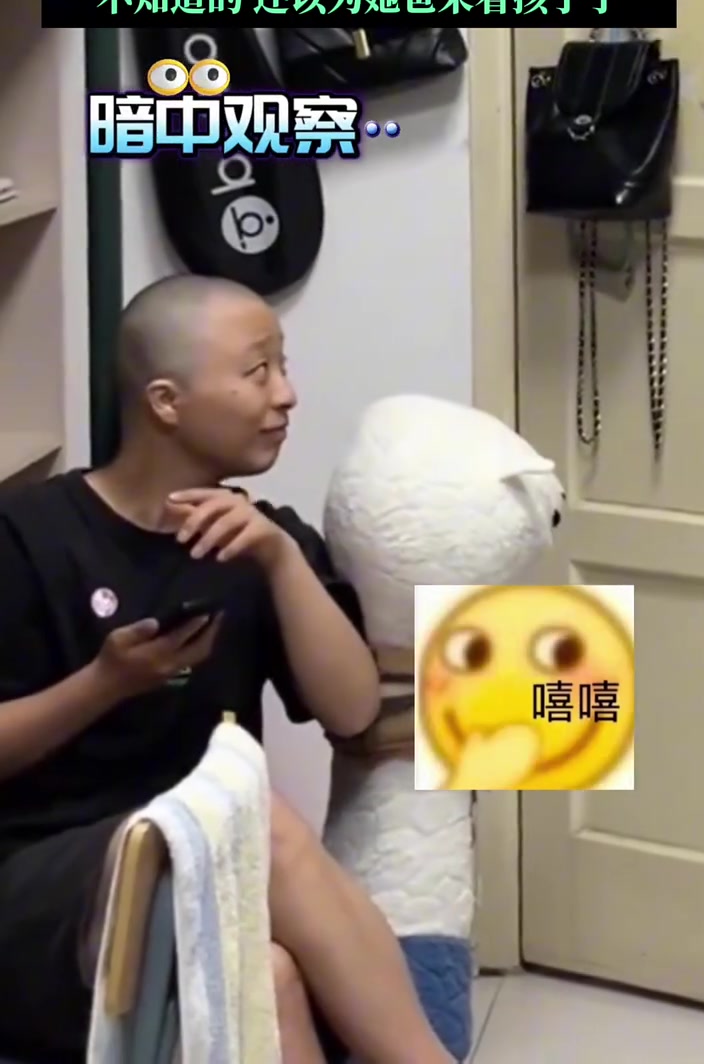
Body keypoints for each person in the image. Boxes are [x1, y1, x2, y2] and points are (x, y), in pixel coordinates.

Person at [0, 275, 455, 1064]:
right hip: (43, 896)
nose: (286, 395)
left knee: (270, 977)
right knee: (252, 823)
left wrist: (280, 561)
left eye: (284, 366)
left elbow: (352, 712)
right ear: (166, 402)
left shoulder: (264, 542)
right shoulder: (28, 533)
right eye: (257, 371)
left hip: (204, 884)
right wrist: (105, 683)